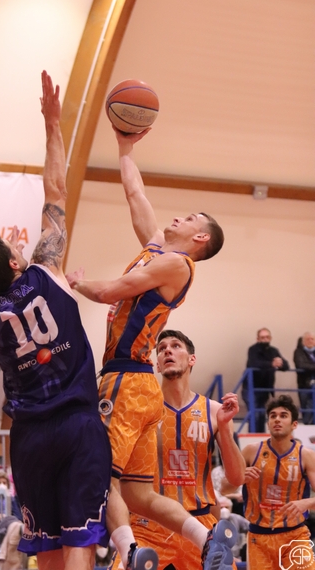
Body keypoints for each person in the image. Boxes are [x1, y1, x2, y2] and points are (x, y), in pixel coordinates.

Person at [67, 129, 238, 569]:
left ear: (200, 239)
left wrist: (75, 283)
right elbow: (135, 194)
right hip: (143, 387)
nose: (178, 218)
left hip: (125, 380)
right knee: (140, 494)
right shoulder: (159, 249)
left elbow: (110, 291)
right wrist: (125, 146)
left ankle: (129, 552)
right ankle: (208, 540)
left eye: (190, 219)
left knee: (100, 476)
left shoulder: (176, 264)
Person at [0, 72, 115, 570]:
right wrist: (53, 124)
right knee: (80, 543)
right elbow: (56, 187)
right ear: (15, 261)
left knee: (46, 549)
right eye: (13, 246)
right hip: (77, 424)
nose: (18, 244)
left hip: (29, 438)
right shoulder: (46, 267)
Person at [109, 329, 246, 570]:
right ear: (157, 365)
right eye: (161, 349)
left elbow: (237, 479)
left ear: (192, 359)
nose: (167, 351)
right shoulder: (142, 410)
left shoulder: (214, 411)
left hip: (200, 523)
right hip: (148, 526)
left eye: (175, 346)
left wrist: (225, 428)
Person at [223, 394, 315, 569]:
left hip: (295, 536)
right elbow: (224, 489)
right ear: (268, 422)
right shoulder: (251, 452)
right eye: (273, 416)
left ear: (294, 424)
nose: (277, 419)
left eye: (283, 415)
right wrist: (238, 479)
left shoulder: (306, 456)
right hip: (259, 538)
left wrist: (307, 503)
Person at [242, 328, 289, 433]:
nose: (265, 339)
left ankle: (260, 436)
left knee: (262, 414)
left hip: (264, 389)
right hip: (251, 387)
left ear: (270, 338)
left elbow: (286, 366)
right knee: (254, 415)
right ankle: (253, 437)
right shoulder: (253, 349)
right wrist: (271, 363)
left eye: (267, 337)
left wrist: (280, 363)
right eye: (262, 337)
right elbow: (254, 363)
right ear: (258, 339)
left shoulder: (273, 351)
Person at [217, 497, 249, 562]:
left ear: (231, 508)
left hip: (237, 558)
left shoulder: (236, 518)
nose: (224, 510)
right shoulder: (211, 520)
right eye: (221, 507)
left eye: (227, 507)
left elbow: (250, 528)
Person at [294, 332, 315, 425]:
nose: (310, 341)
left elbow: (308, 366)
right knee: (307, 411)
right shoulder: (298, 352)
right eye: (307, 339)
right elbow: (301, 365)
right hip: (304, 385)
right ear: (303, 342)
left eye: (312, 339)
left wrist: (311, 367)